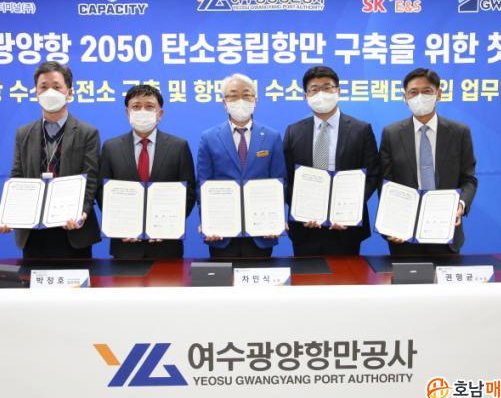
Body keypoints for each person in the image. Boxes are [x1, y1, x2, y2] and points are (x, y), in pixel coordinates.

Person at [0, 61, 100, 258]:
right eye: (44, 87)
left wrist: (82, 213)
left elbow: (90, 179)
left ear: (69, 92)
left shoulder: (87, 133)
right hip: (33, 232)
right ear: (36, 93)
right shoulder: (23, 133)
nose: (50, 92)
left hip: (73, 230)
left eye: (57, 87)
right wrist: (8, 215)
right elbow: (17, 177)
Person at [283, 66, 381, 256]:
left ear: (338, 91)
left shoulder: (361, 130)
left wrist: (349, 210)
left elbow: (373, 174)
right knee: (306, 275)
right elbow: (286, 177)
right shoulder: (293, 131)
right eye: (314, 89)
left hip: (346, 227)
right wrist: (301, 210)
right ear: (306, 96)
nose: (321, 94)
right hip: (305, 228)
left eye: (327, 87)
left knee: (347, 275)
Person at [380, 67, 477, 255]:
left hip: (445, 229)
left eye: (426, 91)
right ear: (405, 97)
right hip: (403, 233)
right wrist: (391, 221)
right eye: (413, 92)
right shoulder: (391, 134)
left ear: (438, 94)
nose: (420, 97)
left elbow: (469, 179)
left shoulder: (459, 133)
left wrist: (460, 205)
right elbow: (385, 182)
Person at [98, 84, 196, 259]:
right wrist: (119, 226)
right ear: (127, 112)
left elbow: (189, 192)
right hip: (125, 245)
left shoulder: (179, 147)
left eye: (149, 106)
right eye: (136, 106)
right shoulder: (111, 147)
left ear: (160, 114)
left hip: (166, 245)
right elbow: (102, 192)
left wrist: (167, 226)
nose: (142, 111)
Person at [197, 73, 287, 258]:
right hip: (222, 234)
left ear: (255, 100)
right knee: (223, 276)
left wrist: (276, 219)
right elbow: (202, 185)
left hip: (261, 233)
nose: (240, 100)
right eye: (233, 95)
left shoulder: (272, 137)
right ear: (224, 102)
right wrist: (208, 222)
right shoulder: (209, 138)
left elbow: (280, 182)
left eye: (246, 95)